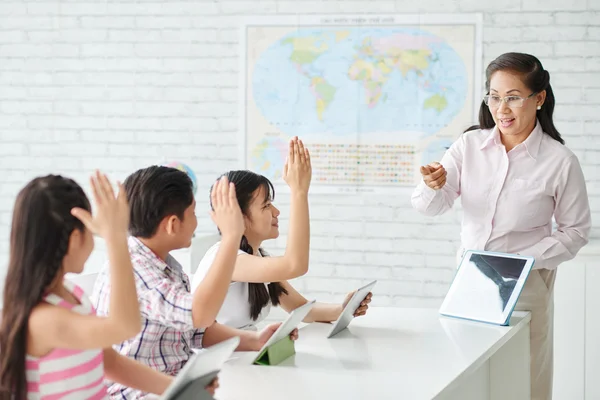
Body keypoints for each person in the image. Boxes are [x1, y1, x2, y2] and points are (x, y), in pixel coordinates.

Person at [411, 52, 591, 400]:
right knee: (469, 378)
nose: (501, 108)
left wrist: (520, 262)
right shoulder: (469, 145)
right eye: (494, 97)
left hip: (525, 285)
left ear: (538, 99)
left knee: (523, 381)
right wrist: (432, 185)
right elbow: (430, 207)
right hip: (470, 282)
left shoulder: (560, 161)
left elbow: (576, 231)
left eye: (512, 98)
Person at [92, 166, 297, 399]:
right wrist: (231, 236)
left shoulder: (167, 265)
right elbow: (198, 315)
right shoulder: (137, 271)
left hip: (179, 385)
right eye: (193, 214)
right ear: (172, 224)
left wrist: (254, 340)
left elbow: (194, 331)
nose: (197, 223)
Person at [0, 172, 181, 399]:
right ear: (76, 238)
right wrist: (115, 237)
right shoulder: (43, 319)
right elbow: (124, 327)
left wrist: (178, 386)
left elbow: (109, 361)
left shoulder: (72, 296)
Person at [192, 137, 371, 331]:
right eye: (267, 205)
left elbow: (303, 309)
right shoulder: (229, 259)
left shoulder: (257, 256)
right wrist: (299, 191)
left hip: (243, 353)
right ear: (239, 217)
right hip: (222, 358)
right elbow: (295, 265)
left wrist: (343, 309)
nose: (276, 212)